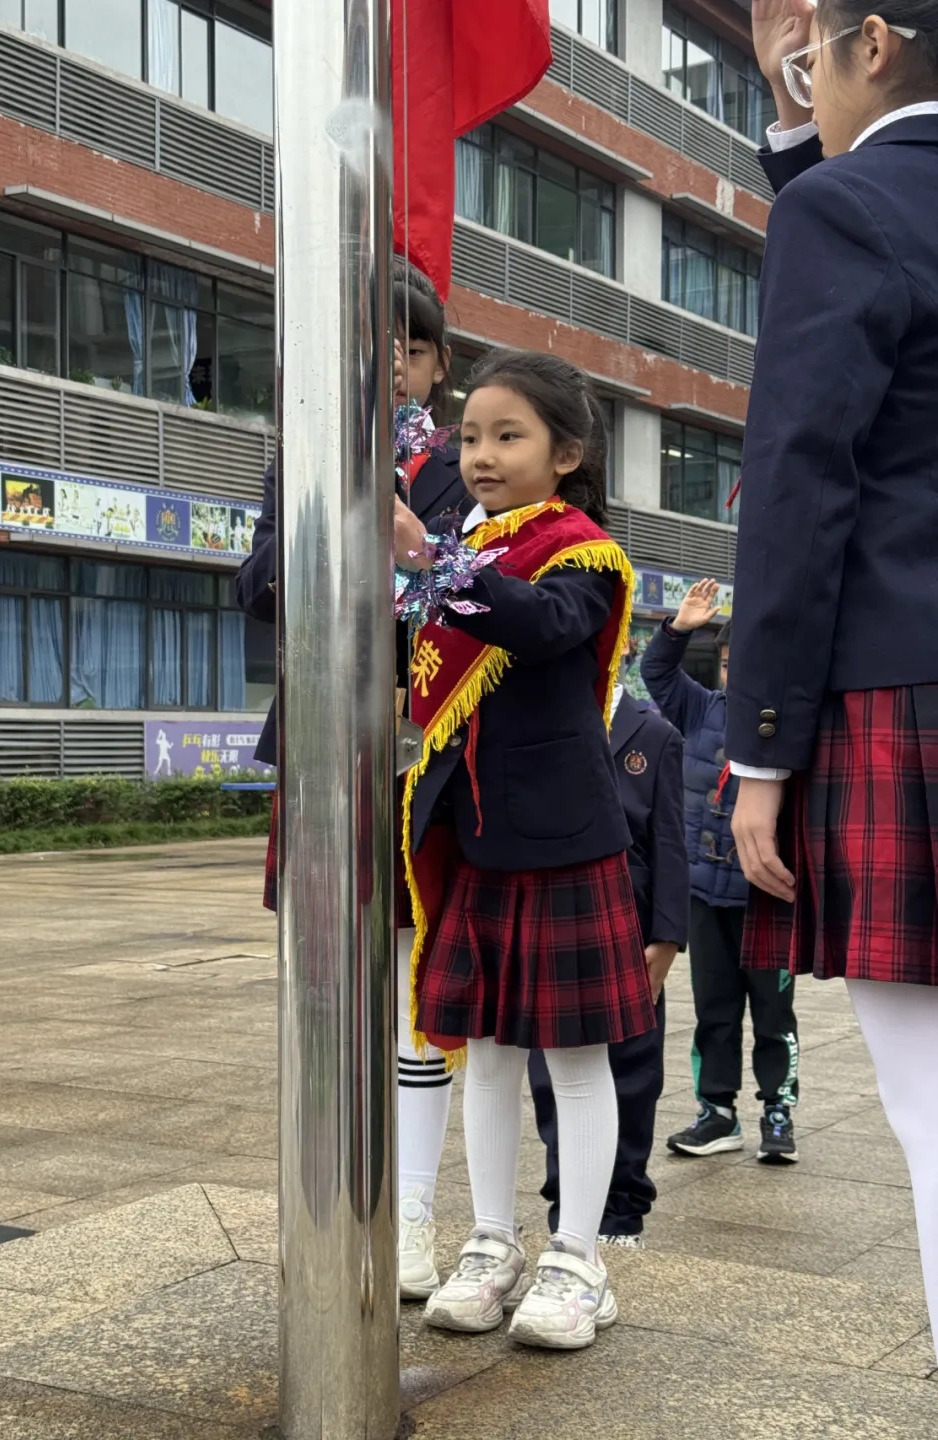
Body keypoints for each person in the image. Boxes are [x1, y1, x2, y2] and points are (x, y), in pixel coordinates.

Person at [731, 0, 938, 1363]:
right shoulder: (853, 195)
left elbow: (802, 480)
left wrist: (762, 746)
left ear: (870, 40)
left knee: (933, 1103)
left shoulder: (844, 208)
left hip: (905, 685)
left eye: (818, 53)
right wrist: (800, 122)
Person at [401, 349, 655, 1351]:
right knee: (492, 1057)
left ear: (567, 453)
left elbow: (547, 629)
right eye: (470, 436)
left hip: (562, 840)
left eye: (509, 436)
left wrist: (432, 564)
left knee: (577, 1062)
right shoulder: (476, 547)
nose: (482, 455)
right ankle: (492, 1243)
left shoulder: (581, 553)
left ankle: (577, 1259)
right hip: (478, 836)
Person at [236, 258, 471, 1301]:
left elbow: (481, 595)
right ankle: (327, 1194)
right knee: (329, 976)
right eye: (370, 351)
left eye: (408, 350)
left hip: (426, 744)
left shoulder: (469, 463)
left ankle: (409, 1208)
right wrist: (324, 523)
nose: (390, 369)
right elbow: (252, 586)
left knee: (416, 976)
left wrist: (414, 550)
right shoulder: (304, 456)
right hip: (324, 742)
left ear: (438, 364)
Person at [641, 581, 800, 1163]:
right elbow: (657, 673)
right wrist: (678, 628)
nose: (735, 673)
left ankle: (778, 1112)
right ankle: (717, 1112)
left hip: (767, 898)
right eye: (729, 662)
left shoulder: (790, 724)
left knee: (774, 1015)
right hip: (704, 896)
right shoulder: (701, 708)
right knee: (714, 1010)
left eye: (745, 663)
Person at [529, 682, 687, 1249]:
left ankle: (621, 1210)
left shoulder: (655, 734)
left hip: (631, 928)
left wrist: (667, 936)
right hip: (556, 922)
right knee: (552, 1075)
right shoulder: (543, 716)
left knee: (633, 1072)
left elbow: (670, 841)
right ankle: (568, 1204)